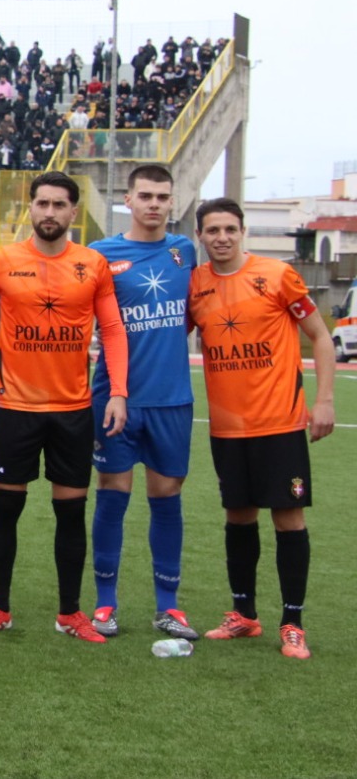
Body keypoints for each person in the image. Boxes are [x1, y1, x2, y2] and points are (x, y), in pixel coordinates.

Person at [0, 171, 128, 643]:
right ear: (30, 209)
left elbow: (113, 331)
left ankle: (70, 613)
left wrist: (118, 392)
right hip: (15, 408)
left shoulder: (92, 264)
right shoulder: (5, 260)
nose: (50, 212)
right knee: (5, 510)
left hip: (74, 410)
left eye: (59, 205)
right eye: (42, 204)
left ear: (73, 212)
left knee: (70, 513)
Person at [188, 198, 336, 660]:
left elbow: (320, 337)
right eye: (213, 230)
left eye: (230, 228)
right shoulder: (196, 285)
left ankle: (292, 624)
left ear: (243, 231)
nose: (222, 237)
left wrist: (325, 400)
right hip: (228, 429)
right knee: (238, 517)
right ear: (201, 236)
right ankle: (244, 615)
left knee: (288, 518)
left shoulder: (276, 275)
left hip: (281, 424)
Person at [86, 165, 200, 640]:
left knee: (166, 496)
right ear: (127, 201)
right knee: (113, 489)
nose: (154, 204)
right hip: (115, 399)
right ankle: (105, 604)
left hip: (172, 398)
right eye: (146, 196)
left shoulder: (185, 251)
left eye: (163, 197)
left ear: (172, 203)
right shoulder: (99, 255)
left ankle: (167, 607)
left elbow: (191, 317)